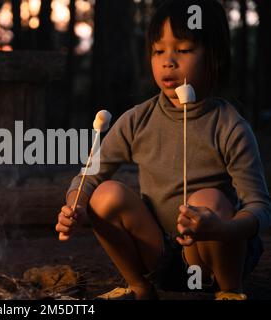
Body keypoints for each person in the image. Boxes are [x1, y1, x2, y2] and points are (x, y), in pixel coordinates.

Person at [55, 0, 270, 300]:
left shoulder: (230, 126)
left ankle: (229, 291)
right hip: (159, 253)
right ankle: (140, 288)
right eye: (158, 51)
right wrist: (73, 206)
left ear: (214, 56)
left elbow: (260, 209)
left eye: (182, 50)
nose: (168, 61)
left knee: (206, 199)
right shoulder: (137, 120)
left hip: (213, 256)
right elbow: (88, 177)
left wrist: (221, 228)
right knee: (105, 195)